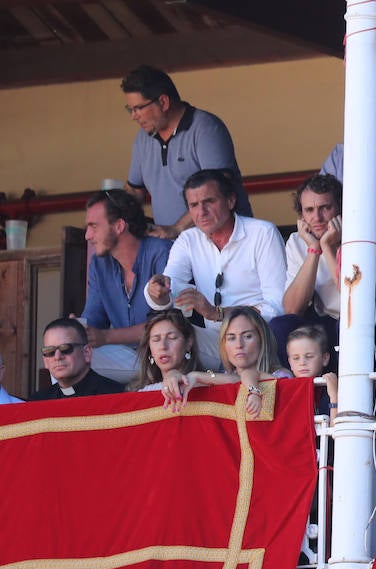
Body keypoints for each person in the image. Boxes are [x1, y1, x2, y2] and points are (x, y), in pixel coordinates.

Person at [272, 173, 376, 367]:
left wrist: (328, 248)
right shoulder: (297, 241)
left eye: (325, 208)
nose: (317, 217)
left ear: (341, 207)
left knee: (347, 328)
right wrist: (314, 250)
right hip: (335, 323)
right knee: (281, 326)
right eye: (309, 210)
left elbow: (356, 297)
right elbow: (292, 308)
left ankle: (345, 396)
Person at [145, 169, 287, 369]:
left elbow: (277, 305)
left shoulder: (263, 233)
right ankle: (170, 397)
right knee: (168, 340)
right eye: (193, 205)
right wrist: (158, 292)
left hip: (258, 336)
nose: (201, 212)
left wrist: (217, 313)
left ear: (230, 201)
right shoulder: (188, 239)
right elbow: (171, 286)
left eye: (209, 202)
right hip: (215, 340)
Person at [121, 65, 252, 239]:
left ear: (163, 102)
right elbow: (134, 191)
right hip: (175, 248)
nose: (133, 116)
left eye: (138, 108)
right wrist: (113, 216)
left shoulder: (206, 128)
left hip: (223, 244)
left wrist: (177, 228)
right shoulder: (142, 138)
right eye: (130, 109)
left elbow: (219, 187)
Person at [78, 189, 173, 384]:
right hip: (129, 358)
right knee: (66, 352)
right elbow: (93, 320)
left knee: (74, 358)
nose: (87, 235)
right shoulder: (99, 264)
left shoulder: (160, 252)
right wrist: (76, 330)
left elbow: (170, 323)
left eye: (93, 226)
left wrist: (106, 337)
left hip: (167, 355)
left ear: (119, 226)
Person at [162, 307, 288, 417]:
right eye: (231, 338)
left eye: (247, 336)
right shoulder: (218, 379)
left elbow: (242, 379)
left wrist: (198, 376)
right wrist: (173, 375)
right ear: (224, 345)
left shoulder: (282, 376)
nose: (239, 345)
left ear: (262, 340)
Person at [32, 318, 125, 400]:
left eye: (65, 348)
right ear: (45, 361)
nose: (57, 357)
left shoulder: (115, 396)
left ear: (87, 353)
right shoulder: (38, 402)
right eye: (50, 351)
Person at [129, 309, 199, 392]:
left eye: (172, 338)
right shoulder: (141, 393)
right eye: (156, 339)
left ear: (188, 342)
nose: (163, 346)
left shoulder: (205, 383)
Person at [286, 324, 338, 423]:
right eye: (296, 358)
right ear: (290, 363)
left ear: (325, 358)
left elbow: (335, 433)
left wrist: (334, 396)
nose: (302, 363)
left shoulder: (331, 385)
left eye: (309, 356)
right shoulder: (287, 390)